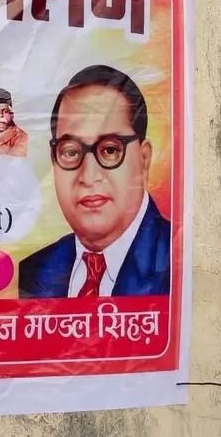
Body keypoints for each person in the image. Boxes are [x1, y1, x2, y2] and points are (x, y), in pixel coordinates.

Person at [18, 65, 171, 298]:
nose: (88, 177)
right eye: (70, 152)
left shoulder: (183, 262)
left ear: (144, 159)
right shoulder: (30, 273)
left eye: (110, 150)